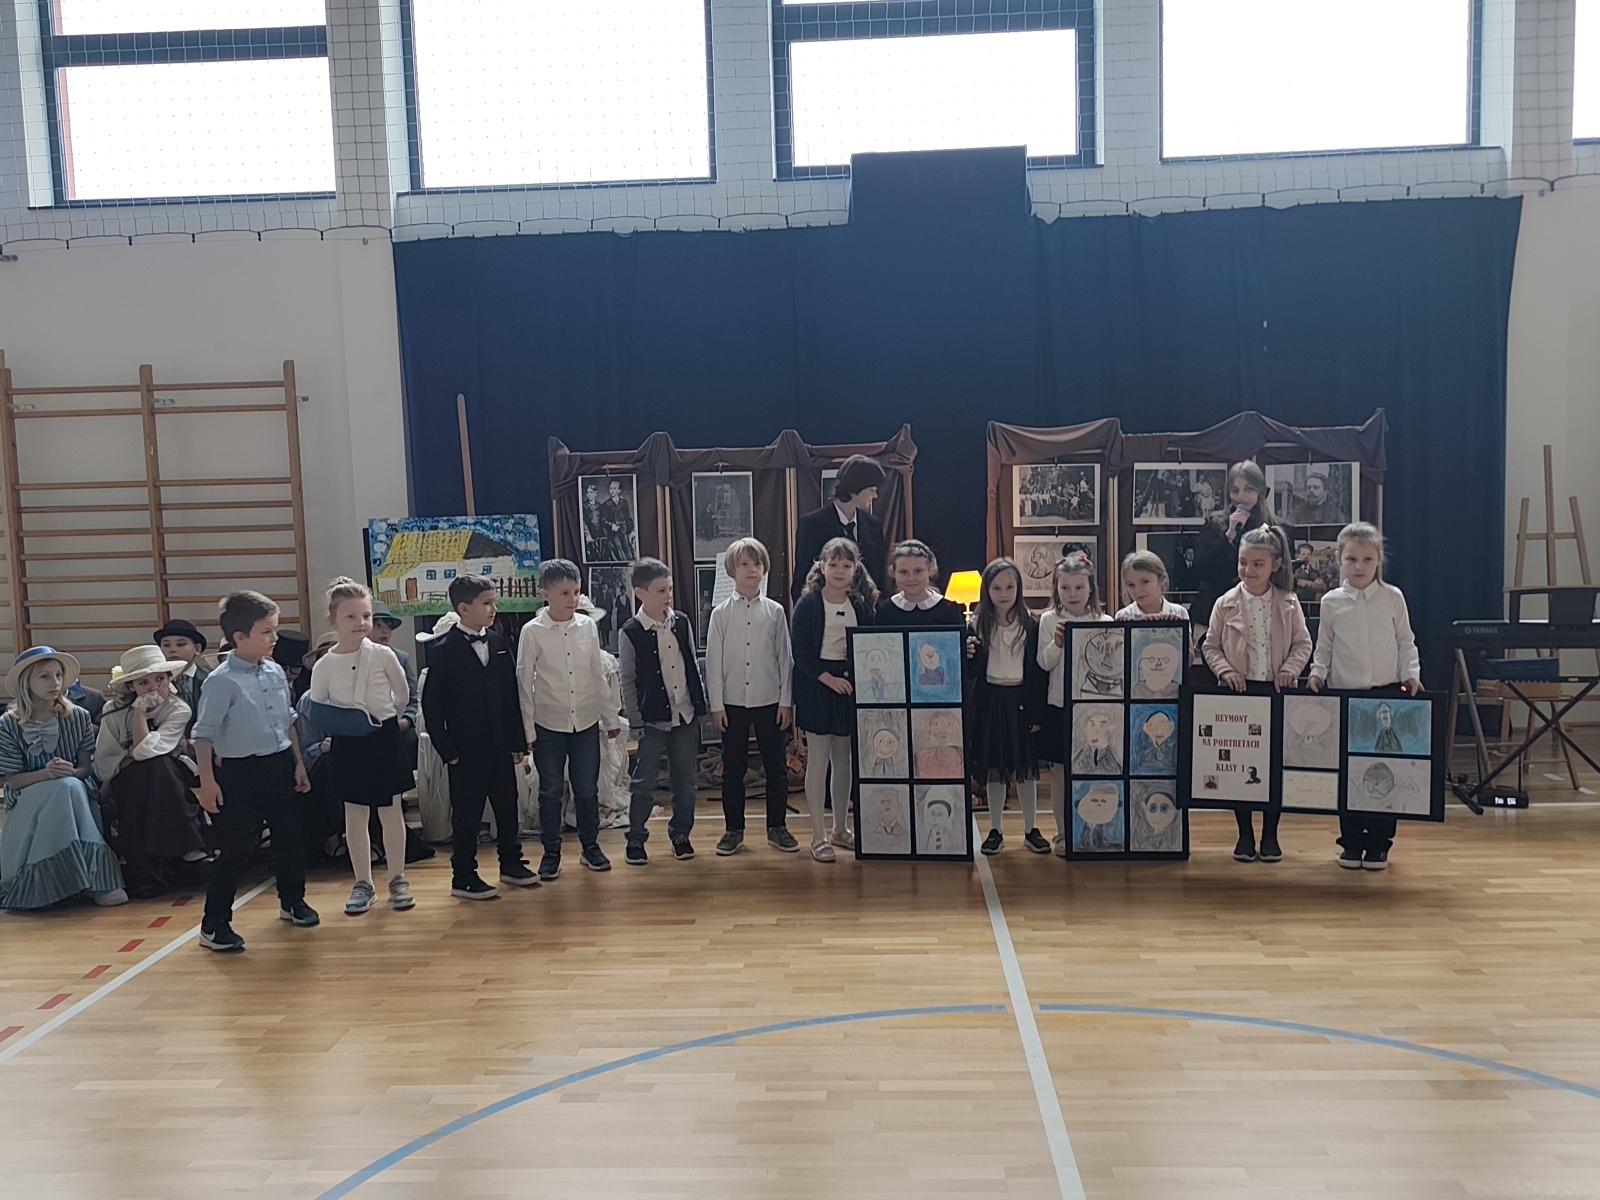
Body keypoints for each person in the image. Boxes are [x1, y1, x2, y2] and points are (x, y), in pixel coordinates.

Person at [192, 592, 318, 951]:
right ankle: (214, 924)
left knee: (290, 839)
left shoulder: (275, 670)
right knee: (236, 850)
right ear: (239, 637)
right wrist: (208, 783)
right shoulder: (221, 681)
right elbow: (203, 736)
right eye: (266, 632)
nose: (274, 638)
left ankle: (292, 900)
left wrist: (297, 763)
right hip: (239, 771)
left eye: (274, 630)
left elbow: (287, 721)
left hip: (278, 763)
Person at [1309, 521, 1422, 871]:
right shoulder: (1331, 602)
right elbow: (1324, 646)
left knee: (1384, 768)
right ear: (1339, 560)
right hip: (1346, 695)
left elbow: (1405, 640)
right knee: (1351, 770)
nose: (1359, 567)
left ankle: (1379, 844)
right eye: (1352, 559)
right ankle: (1351, 842)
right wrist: (1317, 673)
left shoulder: (1393, 598)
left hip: (1386, 692)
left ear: (1379, 561)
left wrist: (1411, 674)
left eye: (1367, 560)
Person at [1202, 525, 1312, 865]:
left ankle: (1271, 835)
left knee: (1272, 766)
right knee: (1240, 767)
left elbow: (1302, 644)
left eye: (1257, 564)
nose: (1248, 570)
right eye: (1243, 562)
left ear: (1275, 565)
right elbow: (1210, 646)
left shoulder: (1289, 603)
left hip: (1276, 693)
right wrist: (1226, 671)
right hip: (1239, 694)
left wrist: (1290, 669)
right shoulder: (1225, 603)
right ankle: (1245, 834)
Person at [422, 577, 536, 898]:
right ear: (463, 608)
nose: (493, 608)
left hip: (500, 745)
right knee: (467, 814)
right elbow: (432, 704)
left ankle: (511, 863)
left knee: (507, 806)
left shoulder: (499, 642)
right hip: (465, 749)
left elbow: (510, 695)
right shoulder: (444, 650)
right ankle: (463, 875)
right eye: (486, 603)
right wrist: (448, 750)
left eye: (493, 601)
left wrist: (517, 741)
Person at [309, 578, 415, 916]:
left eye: (366, 616)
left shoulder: (383, 655)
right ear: (333, 620)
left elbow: (402, 695)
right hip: (348, 742)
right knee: (355, 815)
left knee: (391, 811)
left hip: (384, 738)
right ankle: (363, 883)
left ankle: (397, 878)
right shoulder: (325, 664)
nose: (361, 623)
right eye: (351, 617)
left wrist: (380, 720)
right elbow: (318, 705)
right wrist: (350, 723)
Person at [0, 647, 126, 911]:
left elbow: (85, 769)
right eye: (45, 677)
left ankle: (65, 879)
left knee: (68, 786)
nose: (55, 683)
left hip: (75, 791)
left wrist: (71, 772)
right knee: (63, 788)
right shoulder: (8, 724)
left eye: (58, 675)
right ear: (26, 682)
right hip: (28, 796)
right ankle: (96, 881)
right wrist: (46, 774)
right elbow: (13, 781)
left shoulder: (77, 716)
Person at [518, 559, 622, 880]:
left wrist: (610, 717)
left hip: (586, 721)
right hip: (549, 724)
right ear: (545, 594)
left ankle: (590, 847)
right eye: (564, 593)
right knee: (550, 791)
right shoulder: (532, 632)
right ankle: (551, 853)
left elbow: (596, 673)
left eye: (576, 591)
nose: (572, 599)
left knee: (587, 789)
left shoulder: (587, 626)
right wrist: (527, 730)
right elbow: (524, 682)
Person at [94, 645, 210, 899]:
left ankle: (146, 870)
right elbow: (103, 764)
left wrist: (133, 750)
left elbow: (144, 752)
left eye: (160, 679)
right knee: (146, 772)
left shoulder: (178, 709)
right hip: (126, 783)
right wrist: (139, 711)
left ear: (169, 679)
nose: (153, 688)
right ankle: (188, 851)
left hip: (171, 777)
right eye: (143, 683)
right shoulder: (113, 710)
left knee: (157, 766)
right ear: (131, 686)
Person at [704, 538, 795, 856]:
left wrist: (786, 701)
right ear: (732, 570)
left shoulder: (775, 612)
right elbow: (713, 663)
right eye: (744, 564)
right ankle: (733, 830)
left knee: (776, 768)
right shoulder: (720, 614)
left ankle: (777, 827)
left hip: (770, 701)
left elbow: (785, 659)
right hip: (732, 704)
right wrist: (716, 705)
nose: (751, 569)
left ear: (764, 568)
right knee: (733, 770)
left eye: (756, 563)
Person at [790, 536, 878, 862]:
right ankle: (818, 836)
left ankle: (841, 828)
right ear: (822, 566)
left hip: (849, 685)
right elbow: (800, 653)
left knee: (844, 759)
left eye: (846, 564)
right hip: (817, 685)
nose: (840, 570)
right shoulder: (808, 604)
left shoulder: (861, 605)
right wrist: (828, 679)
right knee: (819, 759)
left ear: (855, 569)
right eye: (834, 564)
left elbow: (869, 645)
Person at [620, 558, 708, 865]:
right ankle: (636, 836)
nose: (668, 595)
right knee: (643, 782)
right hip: (651, 720)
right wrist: (635, 720)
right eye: (661, 590)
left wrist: (699, 703)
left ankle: (681, 834)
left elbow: (691, 663)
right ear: (640, 593)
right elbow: (627, 679)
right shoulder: (631, 631)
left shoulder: (680, 622)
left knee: (684, 780)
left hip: (684, 715)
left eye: (669, 589)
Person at [966, 558, 1049, 856]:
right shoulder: (977, 625)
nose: (1003, 594)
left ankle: (1031, 829)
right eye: (996, 588)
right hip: (991, 702)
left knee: (1025, 770)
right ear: (986, 590)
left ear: (1019, 588)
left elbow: (1039, 673)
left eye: (1009, 587)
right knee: (994, 769)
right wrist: (968, 652)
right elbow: (971, 670)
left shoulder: (1032, 625)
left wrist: (1036, 711)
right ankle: (995, 830)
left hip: (1021, 700)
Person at [1036, 551, 1109, 856]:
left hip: (1095, 708)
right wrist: (1057, 644)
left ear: (1090, 588)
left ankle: (1092, 830)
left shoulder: (1105, 621)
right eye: (1065, 588)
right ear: (1056, 589)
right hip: (1060, 706)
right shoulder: (1049, 620)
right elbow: (1043, 663)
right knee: (1061, 772)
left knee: (1094, 770)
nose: (1072, 594)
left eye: (1079, 587)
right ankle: (1063, 833)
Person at [1191, 461, 1296, 629]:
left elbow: (1286, 578)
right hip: (1217, 612)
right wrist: (1229, 536)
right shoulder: (1214, 524)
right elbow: (1200, 571)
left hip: (1264, 615)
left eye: (1249, 489)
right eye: (1235, 490)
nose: (1241, 496)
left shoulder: (1280, 529)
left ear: (1261, 492)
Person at [792, 455, 888, 601]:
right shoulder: (812, 524)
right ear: (856, 487)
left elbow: (879, 578)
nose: (875, 495)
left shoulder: (874, 525)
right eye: (872, 489)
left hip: (865, 609)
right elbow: (801, 580)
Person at [367, 600, 420, 771]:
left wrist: (406, 721)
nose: (385, 631)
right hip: (367, 727)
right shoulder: (358, 657)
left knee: (412, 739)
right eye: (378, 625)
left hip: (398, 725)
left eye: (388, 626)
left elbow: (414, 698)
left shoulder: (400, 657)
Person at [874, 539, 964, 628]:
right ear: (894, 573)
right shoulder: (883, 611)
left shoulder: (949, 610)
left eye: (918, 571)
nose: (911, 578)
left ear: (930, 570)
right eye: (903, 572)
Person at [154, 618, 211, 728]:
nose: (172, 649)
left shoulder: (210, 680)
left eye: (180, 644)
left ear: (197, 648)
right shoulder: (152, 682)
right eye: (166, 645)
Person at [1115, 551, 1190, 622]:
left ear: (1161, 580)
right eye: (1131, 585)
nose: (1137, 590)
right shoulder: (1123, 615)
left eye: (1145, 582)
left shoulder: (1179, 612)